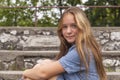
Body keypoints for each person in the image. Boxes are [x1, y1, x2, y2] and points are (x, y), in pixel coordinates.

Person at [22, 7, 107, 80]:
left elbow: (43, 74)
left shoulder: (81, 52)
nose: (68, 31)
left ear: (83, 27)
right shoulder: (81, 47)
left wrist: (25, 72)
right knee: (45, 64)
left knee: (45, 73)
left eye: (74, 26)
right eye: (65, 27)